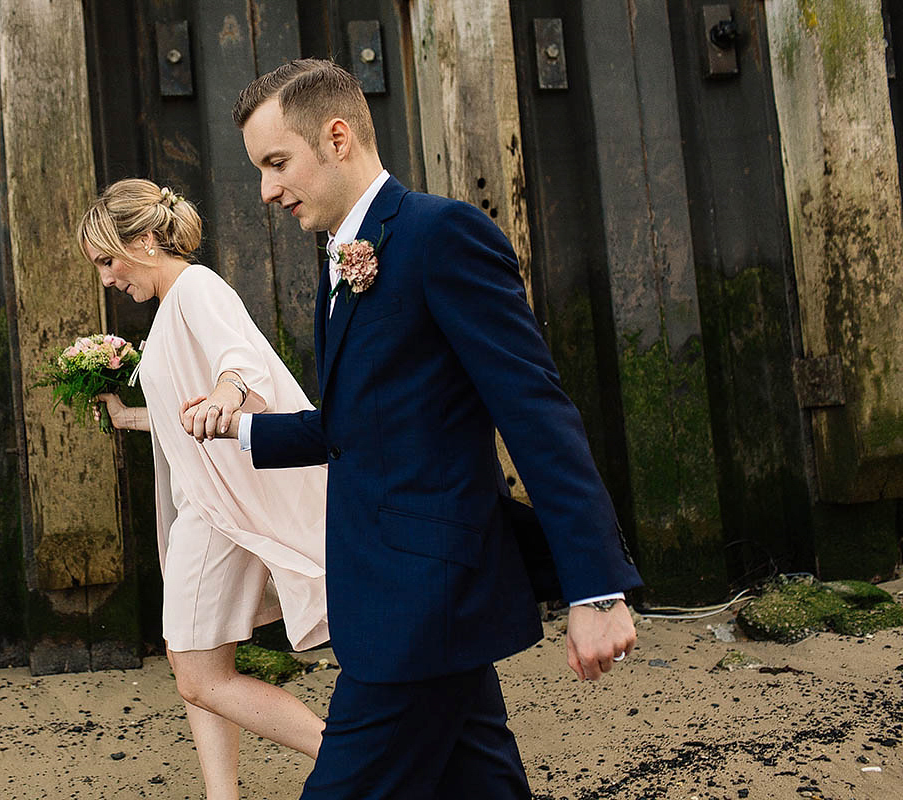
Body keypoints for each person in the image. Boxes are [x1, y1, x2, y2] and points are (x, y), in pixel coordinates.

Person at [182, 59, 643, 799]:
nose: (266, 190)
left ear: (336, 138)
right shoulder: (341, 257)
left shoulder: (441, 235)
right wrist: (242, 431)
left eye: (276, 163)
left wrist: (596, 591)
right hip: (393, 594)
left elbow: (537, 412)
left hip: (422, 601)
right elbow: (355, 428)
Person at [80, 178, 329, 800]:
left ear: (143, 241)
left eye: (109, 260)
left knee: (195, 672)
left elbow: (238, 359)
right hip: (212, 502)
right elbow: (182, 416)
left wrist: (225, 395)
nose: (108, 278)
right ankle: (225, 794)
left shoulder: (195, 287)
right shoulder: (173, 306)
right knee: (199, 662)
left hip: (216, 513)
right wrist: (128, 415)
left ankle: (352, 757)